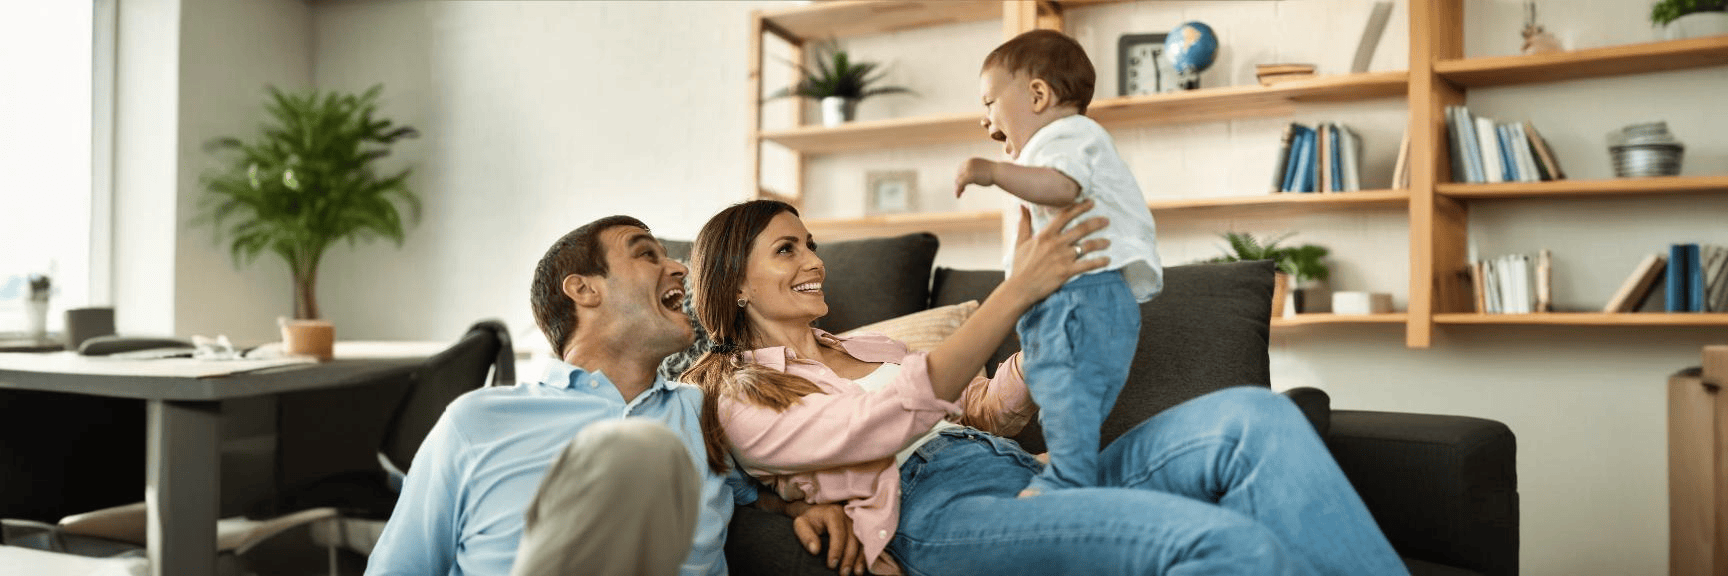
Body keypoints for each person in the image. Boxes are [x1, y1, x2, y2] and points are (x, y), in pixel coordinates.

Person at [682, 199, 1410, 575]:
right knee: (1219, 544)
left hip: (1023, 471)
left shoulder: (868, 345)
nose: (814, 260)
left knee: (1254, 419)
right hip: (938, 514)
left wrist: (1044, 341)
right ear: (735, 283)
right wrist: (1012, 289)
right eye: (788, 249)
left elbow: (981, 415)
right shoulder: (733, 393)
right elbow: (879, 423)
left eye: (810, 243)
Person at [366, 215, 868, 576]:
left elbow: (756, 496)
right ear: (583, 290)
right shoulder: (478, 419)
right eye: (647, 254)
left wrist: (800, 509)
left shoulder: (702, 410)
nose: (680, 269)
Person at [953, 29, 1163, 498]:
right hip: (1096, 300)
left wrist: (992, 172)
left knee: (1065, 393)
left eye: (990, 103)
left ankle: (1067, 479)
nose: (984, 119)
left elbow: (1061, 187)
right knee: (1072, 402)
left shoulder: (1064, 136)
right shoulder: (1065, 142)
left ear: (1039, 95)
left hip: (1076, 299)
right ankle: (1077, 472)